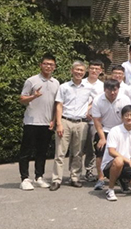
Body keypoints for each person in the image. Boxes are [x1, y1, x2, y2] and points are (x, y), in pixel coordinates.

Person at [50, 61, 94, 191]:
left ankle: (75, 177)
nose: (79, 72)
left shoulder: (89, 88)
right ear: (72, 71)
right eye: (77, 70)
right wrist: (58, 123)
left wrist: (88, 109)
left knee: (78, 153)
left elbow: (96, 100)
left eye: (81, 70)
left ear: (84, 72)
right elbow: (59, 105)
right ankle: (56, 179)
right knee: (60, 152)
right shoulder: (64, 87)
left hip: (81, 123)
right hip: (65, 121)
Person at [19, 54, 60, 190]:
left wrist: (54, 120)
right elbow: (22, 99)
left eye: (51, 64)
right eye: (46, 64)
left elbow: (57, 104)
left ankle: (39, 177)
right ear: (40, 65)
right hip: (31, 122)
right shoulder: (31, 81)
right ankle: (24, 178)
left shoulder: (56, 83)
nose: (48, 66)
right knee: (26, 151)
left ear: (54, 67)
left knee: (42, 152)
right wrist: (33, 96)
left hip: (47, 123)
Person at [91, 79, 131, 191]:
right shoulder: (98, 100)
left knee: (123, 155)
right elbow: (97, 121)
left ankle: (122, 179)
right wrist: (102, 138)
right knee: (100, 152)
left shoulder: (125, 99)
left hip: (120, 130)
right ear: (104, 89)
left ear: (118, 89)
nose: (112, 93)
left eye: (115, 90)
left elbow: (128, 117)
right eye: (109, 90)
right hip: (104, 129)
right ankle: (101, 178)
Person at [82, 60, 105, 182]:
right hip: (80, 119)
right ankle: (74, 173)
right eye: (92, 68)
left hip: (94, 121)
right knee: (78, 148)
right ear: (88, 69)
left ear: (101, 71)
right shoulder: (81, 82)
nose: (94, 71)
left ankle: (89, 170)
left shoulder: (102, 86)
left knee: (92, 147)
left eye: (97, 69)